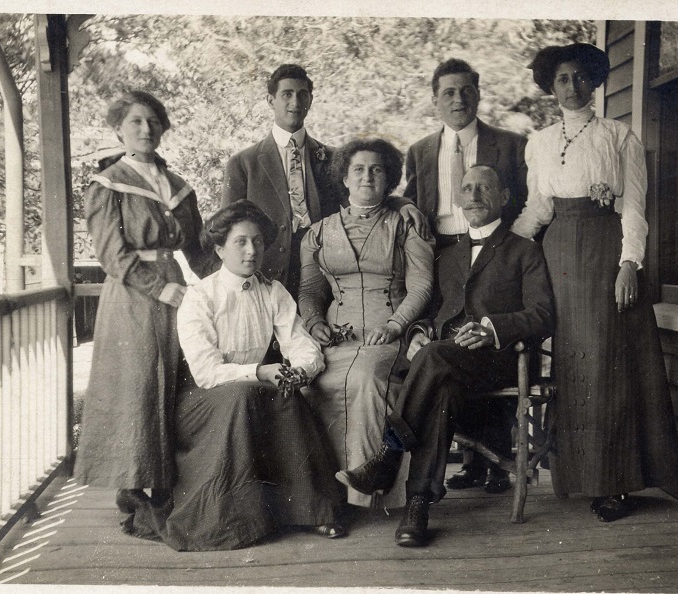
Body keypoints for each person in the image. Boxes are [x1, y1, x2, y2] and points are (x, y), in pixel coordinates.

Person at [510, 43, 678, 522]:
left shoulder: (618, 135)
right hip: (558, 255)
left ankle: (615, 483)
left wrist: (630, 264)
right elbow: (538, 209)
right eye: (562, 79)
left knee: (607, 363)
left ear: (596, 82)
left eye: (581, 78)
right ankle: (577, 477)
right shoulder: (540, 143)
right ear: (551, 86)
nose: (572, 87)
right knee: (572, 363)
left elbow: (633, 206)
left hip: (604, 253)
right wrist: (498, 248)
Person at [336, 165, 555, 547]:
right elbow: (427, 314)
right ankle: (417, 509)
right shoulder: (447, 255)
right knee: (441, 387)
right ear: (457, 198)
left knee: (437, 362)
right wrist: (419, 335)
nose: (473, 195)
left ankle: (388, 455)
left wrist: (492, 329)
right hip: (444, 365)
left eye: (484, 188)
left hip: (497, 361)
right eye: (467, 188)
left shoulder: (525, 250)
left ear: (504, 197)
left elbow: (542, 314)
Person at [123, 201, 345, 550]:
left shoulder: (272, 291)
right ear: (218, 248)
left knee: (285, 394)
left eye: (257, 241)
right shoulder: (200, 297)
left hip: (252, 392)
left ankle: (310, 511)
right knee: (244, 394)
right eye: (240, 242)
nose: (252, 250)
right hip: (200, 403)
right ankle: (234, 520)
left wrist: (300, 371)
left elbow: (302, 345)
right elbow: (207, 372)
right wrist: (258, 371)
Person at [75, 91, 214, 523]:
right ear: (119, 129)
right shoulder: (108, 184)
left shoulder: (177, 185)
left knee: (177, 381)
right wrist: (160, 289)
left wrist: (224, 285)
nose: (145, 129)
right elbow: (112, 255)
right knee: (137, 387)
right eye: (135, 122)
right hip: (133, 296)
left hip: (176, 292)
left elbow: (198, 249)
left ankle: (170, 483)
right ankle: (133, 490)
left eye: (153, 121)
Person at [402, 58, 530, 493]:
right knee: (452, 342)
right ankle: (473, 461)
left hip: (497, 250)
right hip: (444, 253)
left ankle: (495, 461)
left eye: (466, 91)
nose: (458, 99)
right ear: (434, 99)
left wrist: (514, 252)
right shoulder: (420, 150)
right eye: (448, 92)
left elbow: (526, 205)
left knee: (480, 338)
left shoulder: (510, 145)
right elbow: (413, 205)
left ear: (478, 94)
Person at [298, 138, 434, 510]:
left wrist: (394, 325)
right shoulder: (319, 232)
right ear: (344, 177)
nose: (367, 176)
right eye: (358, 169)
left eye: (376, 169)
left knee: (365, 378)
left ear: (388, 177)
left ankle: (365, 494)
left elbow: (421, 285)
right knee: (316, 383)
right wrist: (312, 322)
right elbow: (309, 291)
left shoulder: (406, 224)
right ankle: (326, 496)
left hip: (388, 333)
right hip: (337, 336)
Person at [222, 63, 427, 299]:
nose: (295, 102)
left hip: (322, 271)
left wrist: (403, 204)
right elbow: (228, 229)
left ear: (310, 100)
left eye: (302, 95)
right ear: (271, 100)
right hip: (267, 275)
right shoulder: (243, 163)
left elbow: (364, 198)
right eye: (287, 94)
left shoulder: (334, 158)